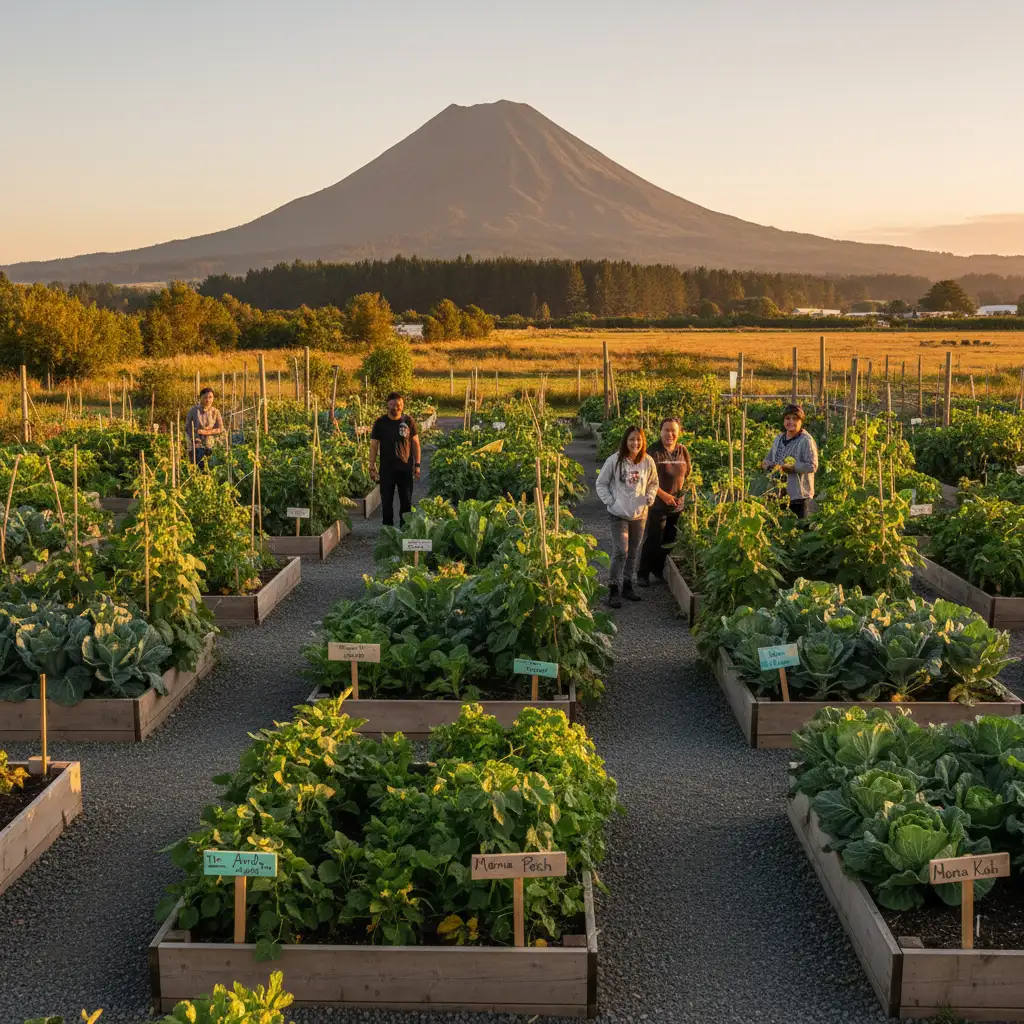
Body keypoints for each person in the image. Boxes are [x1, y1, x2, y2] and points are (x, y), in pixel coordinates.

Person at [595, 425, 659, 608]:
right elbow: (601, 483)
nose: (635, 443)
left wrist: (651, 496)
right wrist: (610, 501)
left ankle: (627, 585)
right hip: (618, 514)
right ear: (625, 441)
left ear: (643, 441)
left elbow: (654, 483)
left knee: (633, 552)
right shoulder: (614, 461)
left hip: (639, 514)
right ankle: (613, 588)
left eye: (638, 439)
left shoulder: (647, 461)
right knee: (620, 551)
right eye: (631, 439)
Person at [638, 417, 691, 586]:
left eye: (673, 430)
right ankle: (643, 573)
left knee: (669, 540)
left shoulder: (683, 451)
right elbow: (646, 479)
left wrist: (681, 493)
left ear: (679, 433)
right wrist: (664, 495)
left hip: (676, 505)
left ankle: (658, 570)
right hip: (657, 504)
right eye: (666, 430)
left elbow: (687, 474)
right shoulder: (653, 451)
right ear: (660, 431)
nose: (670, 434)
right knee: (654, 538)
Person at [369, 392, 421, 527]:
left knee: (406, 502)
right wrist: (371, 464)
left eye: (398, 405)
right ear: (388, 405)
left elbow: (415, 442)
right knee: (386, 502)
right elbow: (374, 444)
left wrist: (417, 464)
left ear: (402, 406)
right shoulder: (380, 423)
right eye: (393, 404)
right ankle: (388, 532)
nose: (396, 407)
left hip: (405, 469)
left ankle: (405, 531)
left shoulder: (408, 421)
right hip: (387, 470)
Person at [762, 403, 818, 518]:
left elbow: (812, 466)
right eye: (788, 418)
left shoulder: (806, 440)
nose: (791, 422)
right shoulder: (779, 439)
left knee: (798, 528)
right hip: (779, 492)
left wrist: (790, 467)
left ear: (801, 422)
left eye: (795, 419)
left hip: (799, 495)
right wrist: (766, 464)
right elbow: (768, 459)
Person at [184, 387, 224, 470]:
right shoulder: (194, 411)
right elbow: (187, 427)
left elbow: (220, 429)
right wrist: (193, 438)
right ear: (201, 398)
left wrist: (205, 432)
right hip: (196, 441)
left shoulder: (215, 412)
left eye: (210, 397)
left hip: (211, 441)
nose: (208, 400)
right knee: (199, 462)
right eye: (205, 397)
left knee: (211, 464)